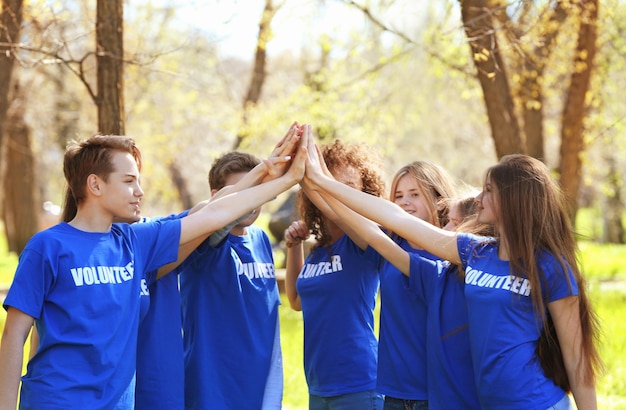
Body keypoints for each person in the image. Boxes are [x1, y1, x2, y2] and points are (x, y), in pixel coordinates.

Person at [0, 125, 306, 409]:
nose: (140, 191)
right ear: (95, 184)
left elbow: (214, 213)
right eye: (129, 181)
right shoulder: (48, 246)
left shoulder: (136, 241)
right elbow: (15, 335)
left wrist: (279, 177)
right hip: (57, 401)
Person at [304, 145, 603, 410]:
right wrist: (323, 182)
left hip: (537, 401)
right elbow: (395, 219)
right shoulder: (474, 252)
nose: (479, 196)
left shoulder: (551, 266)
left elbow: (577, 359)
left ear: (514, 199)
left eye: (488, 190)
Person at [177, 150, 287, 410]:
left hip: (260, 383)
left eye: (255, 191)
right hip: (212, 385)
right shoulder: (203, 236)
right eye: (241, 193)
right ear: (216, 196)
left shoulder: (261, 239)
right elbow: (218, 224)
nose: (250, 202)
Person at [284, 132, 386, 410]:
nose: (338, 191)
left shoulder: (365, 241)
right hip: (318, 383)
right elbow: (295, 302)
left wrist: (322, 182)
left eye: (349, 185)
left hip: (359, 383)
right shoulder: (318, 250)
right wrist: (294, 247)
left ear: (366, 193)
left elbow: (347, 216)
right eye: (330, 183)